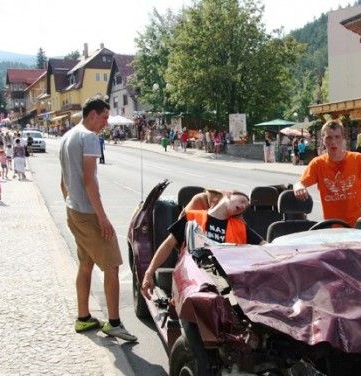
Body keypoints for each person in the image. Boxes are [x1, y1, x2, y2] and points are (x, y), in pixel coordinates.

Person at [59, 97, 136, 342]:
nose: (106, 123)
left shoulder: (68, 136)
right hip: (88, 213)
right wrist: (102, 218)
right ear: (92, 114)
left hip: (73, 210)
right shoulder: (89, 138)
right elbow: (89, 180)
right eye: (104, 117)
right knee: (112, 266)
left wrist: (71, 204)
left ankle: (83, 318)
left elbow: (63, 181)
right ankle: (113, 323)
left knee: (86, 264)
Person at [141, 191, 264, 295]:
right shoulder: (192, 218)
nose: (243, 206)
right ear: (228, 195)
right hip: (194, 282)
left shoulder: (240, 227)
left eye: (246, 206)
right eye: (242, 201)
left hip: (229, 285)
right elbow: (168, 245)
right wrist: (149, 272)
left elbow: (265, 246)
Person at [294, 120, 361, 226]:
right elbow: (300, 183)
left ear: (343, 138)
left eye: (337, 137)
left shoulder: (357, 159)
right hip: (333, 226)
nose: (333, 142)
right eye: (329, 137)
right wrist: (298, 187)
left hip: (359, 224)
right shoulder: (317, 163)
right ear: (323, 140)